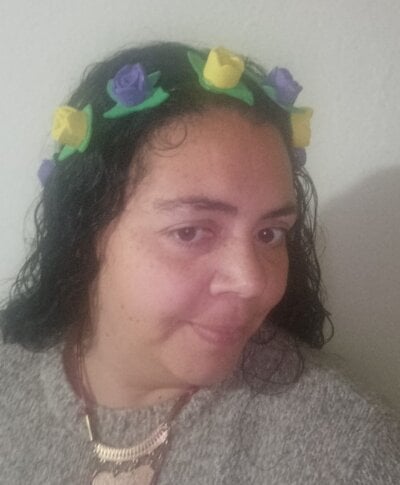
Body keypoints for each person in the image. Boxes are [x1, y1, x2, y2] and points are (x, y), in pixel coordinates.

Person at [0, 42, 399, 485]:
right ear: (84, 233)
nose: (252, 282)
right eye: (190, 232)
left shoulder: (344, 451)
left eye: (270, 234)